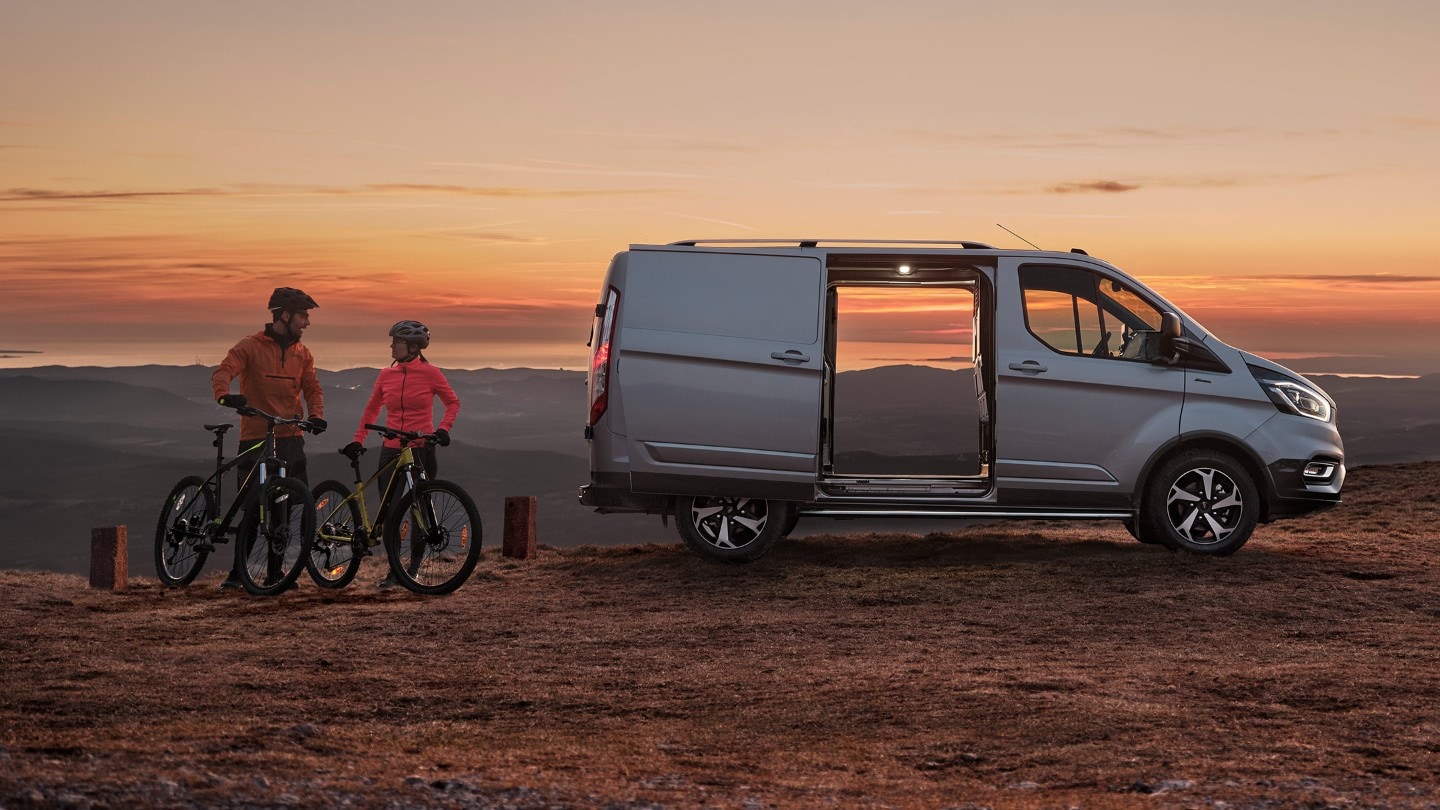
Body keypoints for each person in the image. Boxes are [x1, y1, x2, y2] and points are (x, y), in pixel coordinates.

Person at [211, 286, 327, 589]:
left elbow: (313, 388)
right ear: (285, 315)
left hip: (291, 435)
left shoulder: (303, 353)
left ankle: (276, 574)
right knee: (252, 506)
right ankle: (237, 574)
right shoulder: (250, 346)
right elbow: (224, 371)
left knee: (284, 509)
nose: (307, 323)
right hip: (256, 436)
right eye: (303, 316)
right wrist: (224, 396)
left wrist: (316, 414)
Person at [343, 320, 460, 587]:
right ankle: (394, 571)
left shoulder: (431, 373)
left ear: (413, 347)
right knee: (392, 511)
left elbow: (452, 402)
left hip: (420, 450)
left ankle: (414, 568)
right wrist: (358, 440)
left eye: (397, 341)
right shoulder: (386, 375)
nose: (392, 345)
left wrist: (443, 429)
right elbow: (371, 410)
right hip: (391, 450)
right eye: (393, 341)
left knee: (419, 509)